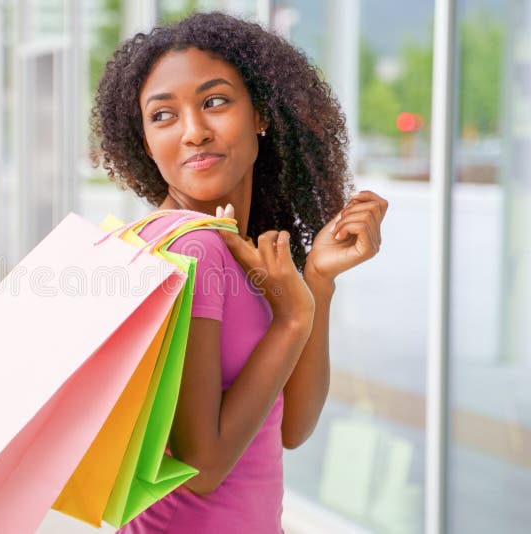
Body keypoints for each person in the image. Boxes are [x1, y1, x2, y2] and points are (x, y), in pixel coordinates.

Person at [89, 11, 389, 533]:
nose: (195, 132)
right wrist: (293, 317)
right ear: (143, 141)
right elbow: (202, 467)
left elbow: (289, 427)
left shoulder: (216, 246)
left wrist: (316, 280)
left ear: (261, 115)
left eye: (215, 102)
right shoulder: (197, 250)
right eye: (164, 116)